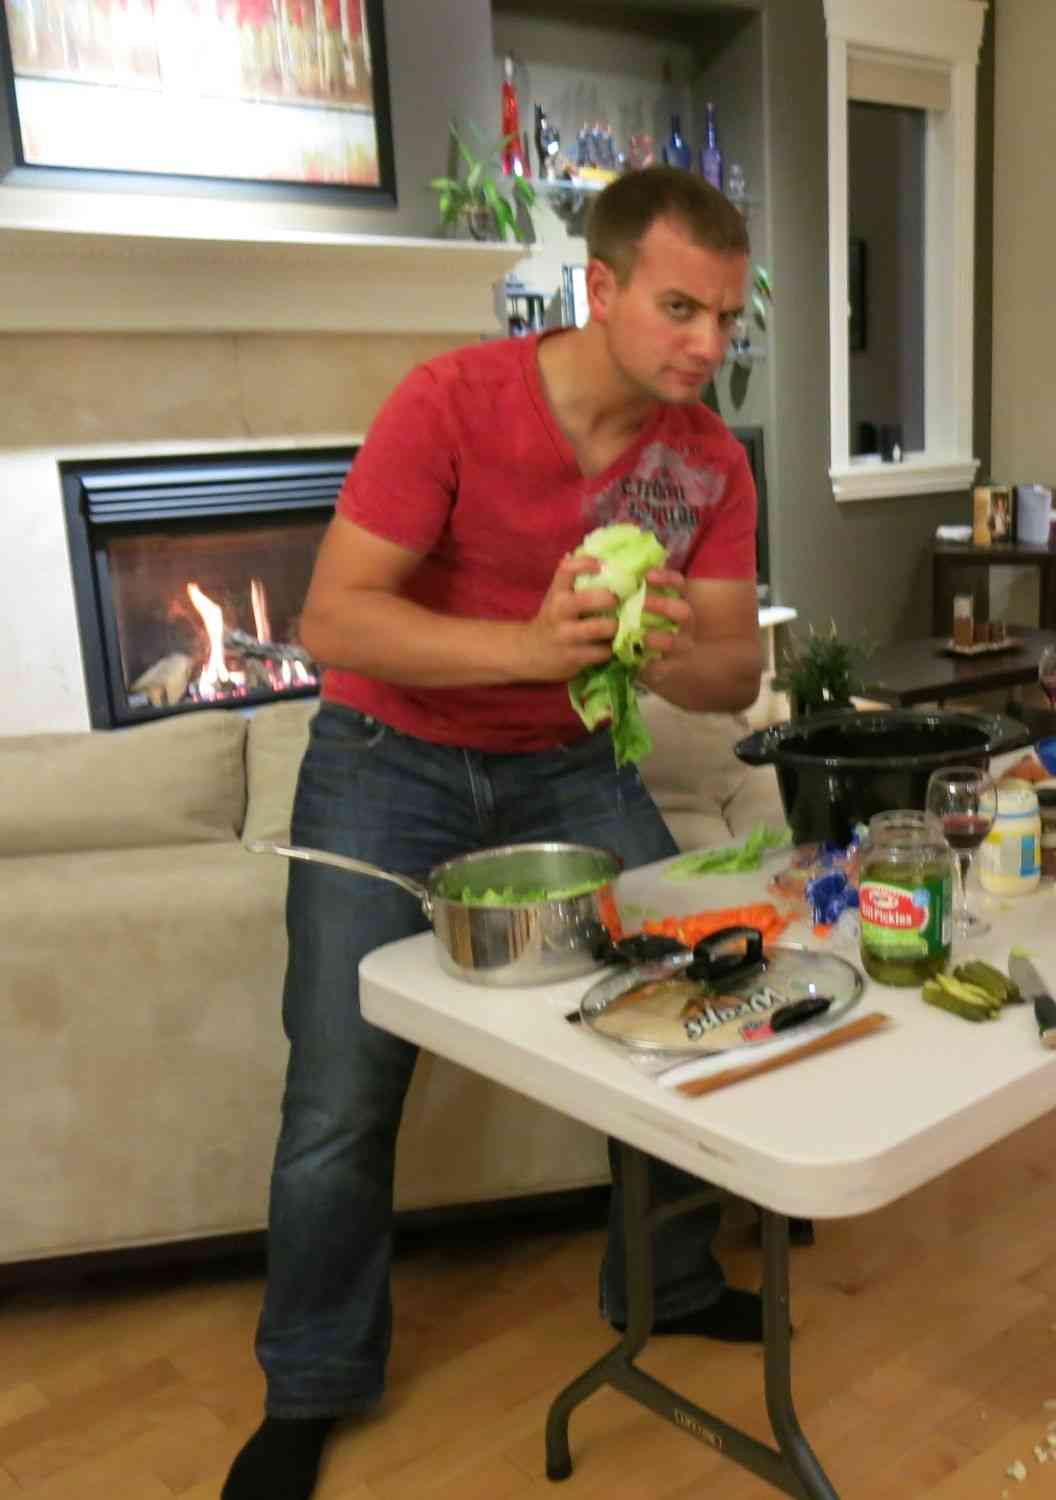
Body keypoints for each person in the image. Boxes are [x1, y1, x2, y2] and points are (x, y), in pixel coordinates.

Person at [223, 166, 769, 1500]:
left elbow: (732, 677)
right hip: (384, 765)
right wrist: (527, 647)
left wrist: (662, 646)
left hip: (570, 768)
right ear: (601, 288)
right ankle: (310, 1384)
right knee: (341, 1088)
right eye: (681, 308)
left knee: (689, 1012)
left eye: (727, 317)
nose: (708, 344)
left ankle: (670, 1281)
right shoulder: (449, 401)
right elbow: (333, 621)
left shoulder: (709, 462)